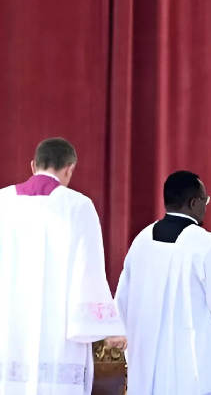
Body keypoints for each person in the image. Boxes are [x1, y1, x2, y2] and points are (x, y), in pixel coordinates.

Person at [115, 171, 211, 394]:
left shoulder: (141, 241)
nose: (206, 206)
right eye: (205, 200)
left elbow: (124, 303)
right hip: (194, 376)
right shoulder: (206, 244)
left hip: (149, 372)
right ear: (195, 203)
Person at [0, 137, 125, 395]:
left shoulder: (2, 202)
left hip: (9, 327)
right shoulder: (78, 206)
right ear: (69, 169)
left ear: (33, 165)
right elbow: (89, 272)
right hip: (56, 333)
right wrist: (108, 329)